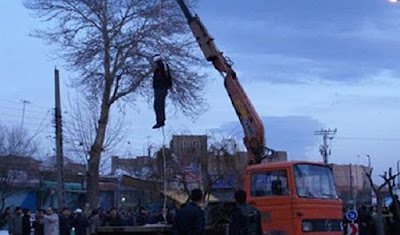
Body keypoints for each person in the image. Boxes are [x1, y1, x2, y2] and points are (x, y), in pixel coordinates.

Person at [152, 54, 172, 129]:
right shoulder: (160, 67)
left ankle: (160, 121)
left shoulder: (163, 67)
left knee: (158, 105)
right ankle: (160, 120)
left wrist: (169, 85)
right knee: (158, 105)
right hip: (159, 88)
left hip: (161, 88)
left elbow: (167, 76)